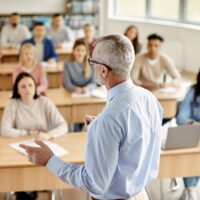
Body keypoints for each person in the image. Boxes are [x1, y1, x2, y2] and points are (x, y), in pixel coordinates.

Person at [20, 34, 163, 200]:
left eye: (92, 61)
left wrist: (50, 160)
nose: (91, 65)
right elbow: (134, 142)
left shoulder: (108, 120)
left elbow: (94, 183)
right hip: (141, 194)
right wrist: (104, 132)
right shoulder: (149, 98)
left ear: (104, 70)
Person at [176, 70, 200, 200]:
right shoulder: (192, 92)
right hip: (192, 132)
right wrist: (195, 124)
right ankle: (190, 190)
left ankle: (189, 190)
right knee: (191, 152)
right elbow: (181, 118)